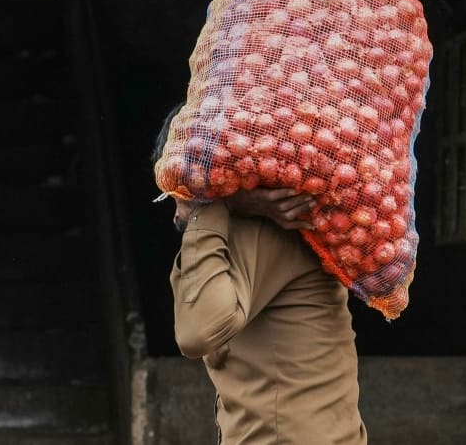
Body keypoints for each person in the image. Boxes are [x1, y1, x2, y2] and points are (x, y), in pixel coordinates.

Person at [154, 106, 368, 445]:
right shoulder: (289, 223)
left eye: (176, 194)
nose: (175, 214)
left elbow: (196, 333)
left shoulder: (254, 231)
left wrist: (203, 209)